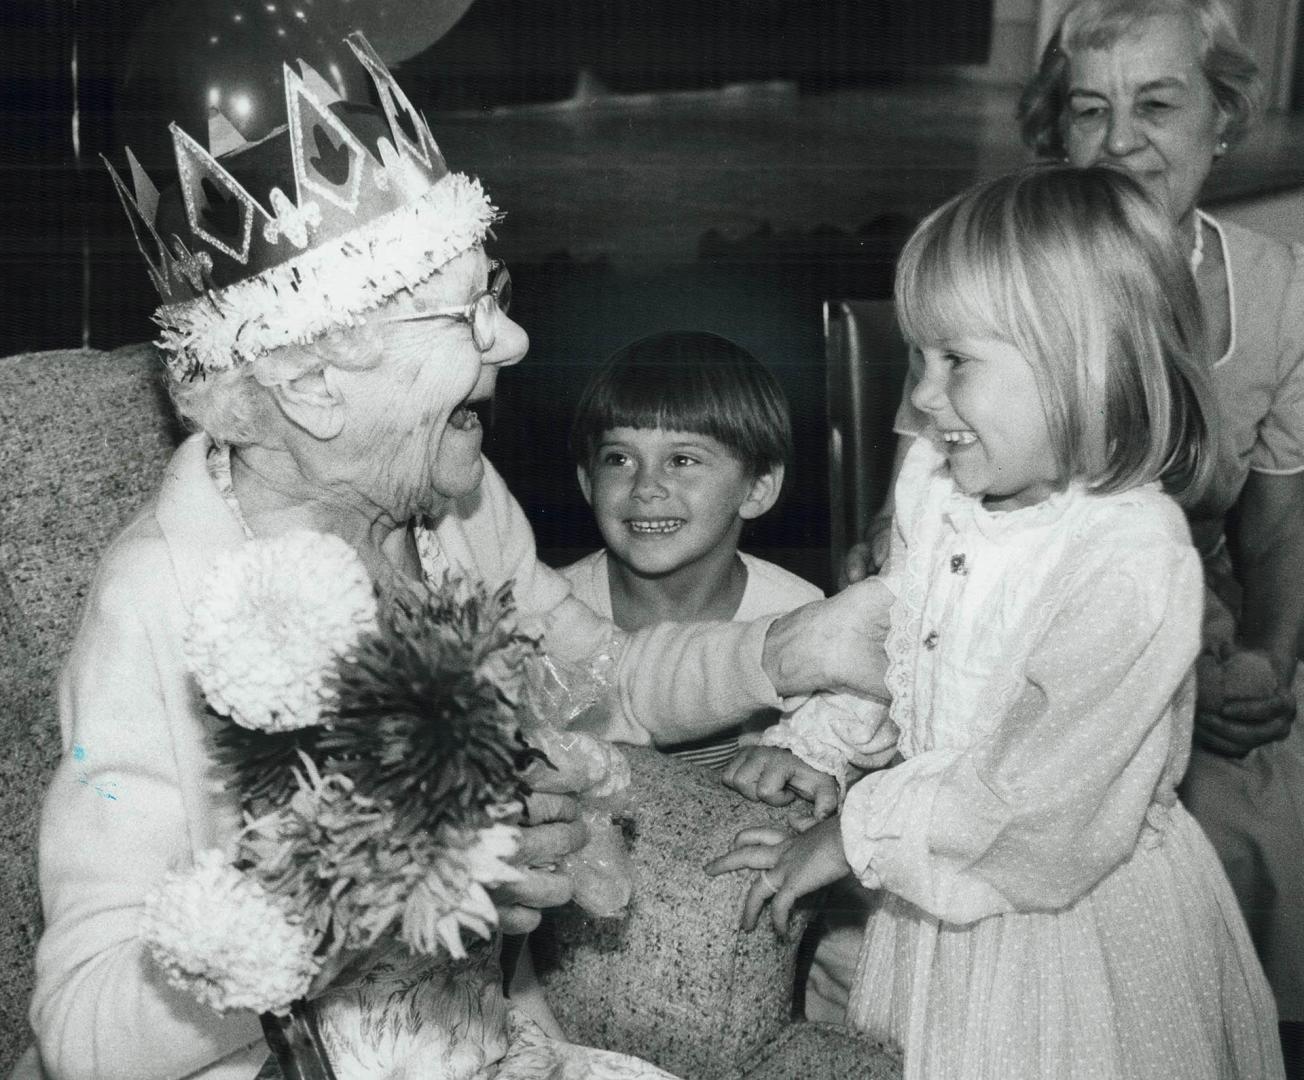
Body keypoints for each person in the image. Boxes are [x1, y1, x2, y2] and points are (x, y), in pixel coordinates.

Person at [29, 30, 888, 1080]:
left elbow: (600, 678)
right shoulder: (158, 600)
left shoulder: (458, 511)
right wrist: (366, 883)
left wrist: (799, 646)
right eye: (464, 314)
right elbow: (80, 1036)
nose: (511, 343)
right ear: (311, 381)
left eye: (498, 293)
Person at [710, 164, 1285, 1079]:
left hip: (1065, 921)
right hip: (941, 892)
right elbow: (911, 631)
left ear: (1080, 364)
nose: (924, 399)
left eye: (957, 363)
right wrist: (829, 739)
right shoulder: (940, 487)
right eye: (917, 358)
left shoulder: (1131, 563)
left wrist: (854, 834)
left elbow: (1039, 798)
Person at [841, 0, 1304, 1044]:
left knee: (1274, 820)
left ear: (1221, 117)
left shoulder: (1277, 292)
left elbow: (1277, 528)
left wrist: (1266, 656)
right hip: (1013, 646)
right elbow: (917, 530)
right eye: (1089, 110)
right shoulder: (994, 282)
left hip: (1181, 632)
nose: (1120, 139)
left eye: (1156, 104)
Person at [563, 330, 822, 769]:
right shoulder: (550, 612)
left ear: (758, 488)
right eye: (618, 459)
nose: (645, 487)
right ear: (588, 482)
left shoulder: (799, 619)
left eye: (682, 460)